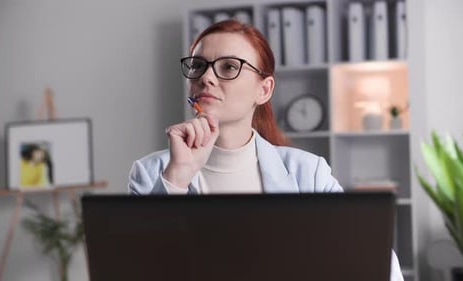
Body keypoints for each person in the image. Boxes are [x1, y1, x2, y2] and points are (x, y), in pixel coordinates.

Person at [128, 19, 404, 281]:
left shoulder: (308, 173)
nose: (206, 77)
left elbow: (379, 265)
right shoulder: (153, 173)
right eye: (198, 66)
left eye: (228, 67)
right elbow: (134, 270)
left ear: (264, 89)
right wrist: (177, 178)